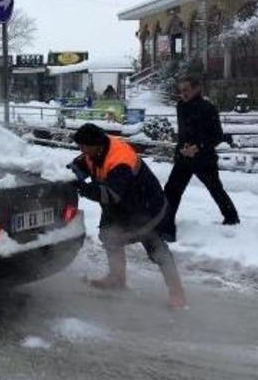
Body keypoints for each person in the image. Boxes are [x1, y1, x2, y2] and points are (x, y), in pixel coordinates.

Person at [69, 123, 186, 309]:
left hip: (145, 206)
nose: (81, 150)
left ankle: (177, 292)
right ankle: (117, 279)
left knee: (155, 247)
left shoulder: (119, 160)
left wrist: (81, 188)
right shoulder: (94, 152)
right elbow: (77, 167)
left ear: (96, 145)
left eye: (84, 146)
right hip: (121, 207)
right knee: (109, 235)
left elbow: (111, 194)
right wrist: (63, 175)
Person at [162, 76, 239, 242]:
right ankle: (166, 228)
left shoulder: (208, 108)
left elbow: (217, 135)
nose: (183, 94)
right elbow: (184, 132)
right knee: (171, 191)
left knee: (215, 189)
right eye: (181, 91)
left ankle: (232, 219)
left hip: (204, 159)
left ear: (197, 89)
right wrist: (182, 148)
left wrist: (198, 146)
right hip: (184, 157)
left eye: (186, 90)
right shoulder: (181, 106)